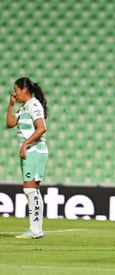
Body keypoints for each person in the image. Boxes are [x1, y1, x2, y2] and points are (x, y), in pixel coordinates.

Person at [6, 77, 48, 239]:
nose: (15, 93)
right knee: (31, 189)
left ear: (24, 90)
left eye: (16, 90)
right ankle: (35, 229)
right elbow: (10, 123)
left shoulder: (34, 105)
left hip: (35, 151)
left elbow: (42, 128)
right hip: (30, 152)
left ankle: (36, 230)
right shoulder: (24, 107)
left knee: (30, 189)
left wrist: (25, 145)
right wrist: (11, 105)